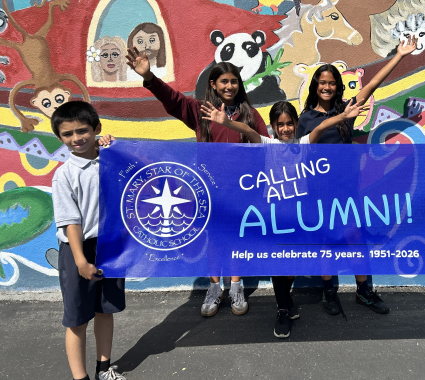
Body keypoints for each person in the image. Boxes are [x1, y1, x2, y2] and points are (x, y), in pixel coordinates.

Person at [202, 99, 367, 338]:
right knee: (279, 263)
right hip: (274, 219)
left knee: (294, 264)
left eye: (290, 123)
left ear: (296, 124)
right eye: (280, 125)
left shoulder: (303, 144)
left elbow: (321, 128)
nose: (286, 128)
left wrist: (344, 116)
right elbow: (248, 130)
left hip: (299, 218)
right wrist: (226, 122)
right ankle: (282, 310)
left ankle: (286, 302)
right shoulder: (268, 144)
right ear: (273, 126)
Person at [126, 47, 270, 317]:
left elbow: (265, 144)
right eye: (224, 81)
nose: (229, 86)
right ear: (213, 84)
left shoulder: (250, 115)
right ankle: (215, 288)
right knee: (215, 239)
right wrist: (150, 78)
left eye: (234, 81)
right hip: (210, 190)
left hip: (242, 191)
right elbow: (173, 101)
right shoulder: (200, 111)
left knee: (237, 237)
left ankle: (235, 286)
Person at [295, 35, 418, 316]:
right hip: (319, 191)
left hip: (347, 189)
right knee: (325, 241)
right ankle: (329, 294)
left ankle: (364, 292)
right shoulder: (305, 119)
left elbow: (373, 84)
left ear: (337, 87)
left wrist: (399, 55)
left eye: (331, 83)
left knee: (354, 238)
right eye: (322, 82)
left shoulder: (347, 110)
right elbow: (301, 155)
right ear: (315, 86)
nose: (327, 87)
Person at [50, 101, 125, 380]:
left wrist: (116, 146)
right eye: (67, 134)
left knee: (105, 311)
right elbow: (70, 221)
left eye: (83, 131)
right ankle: (80, 378)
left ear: (97, 129)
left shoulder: (111, 159)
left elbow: (138, 165)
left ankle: (104, 369)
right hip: (77, 250)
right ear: (59, 138)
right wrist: (81, 261)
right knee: (78, 320)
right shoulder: (64, 175)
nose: (76, 138)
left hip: (110, 248)